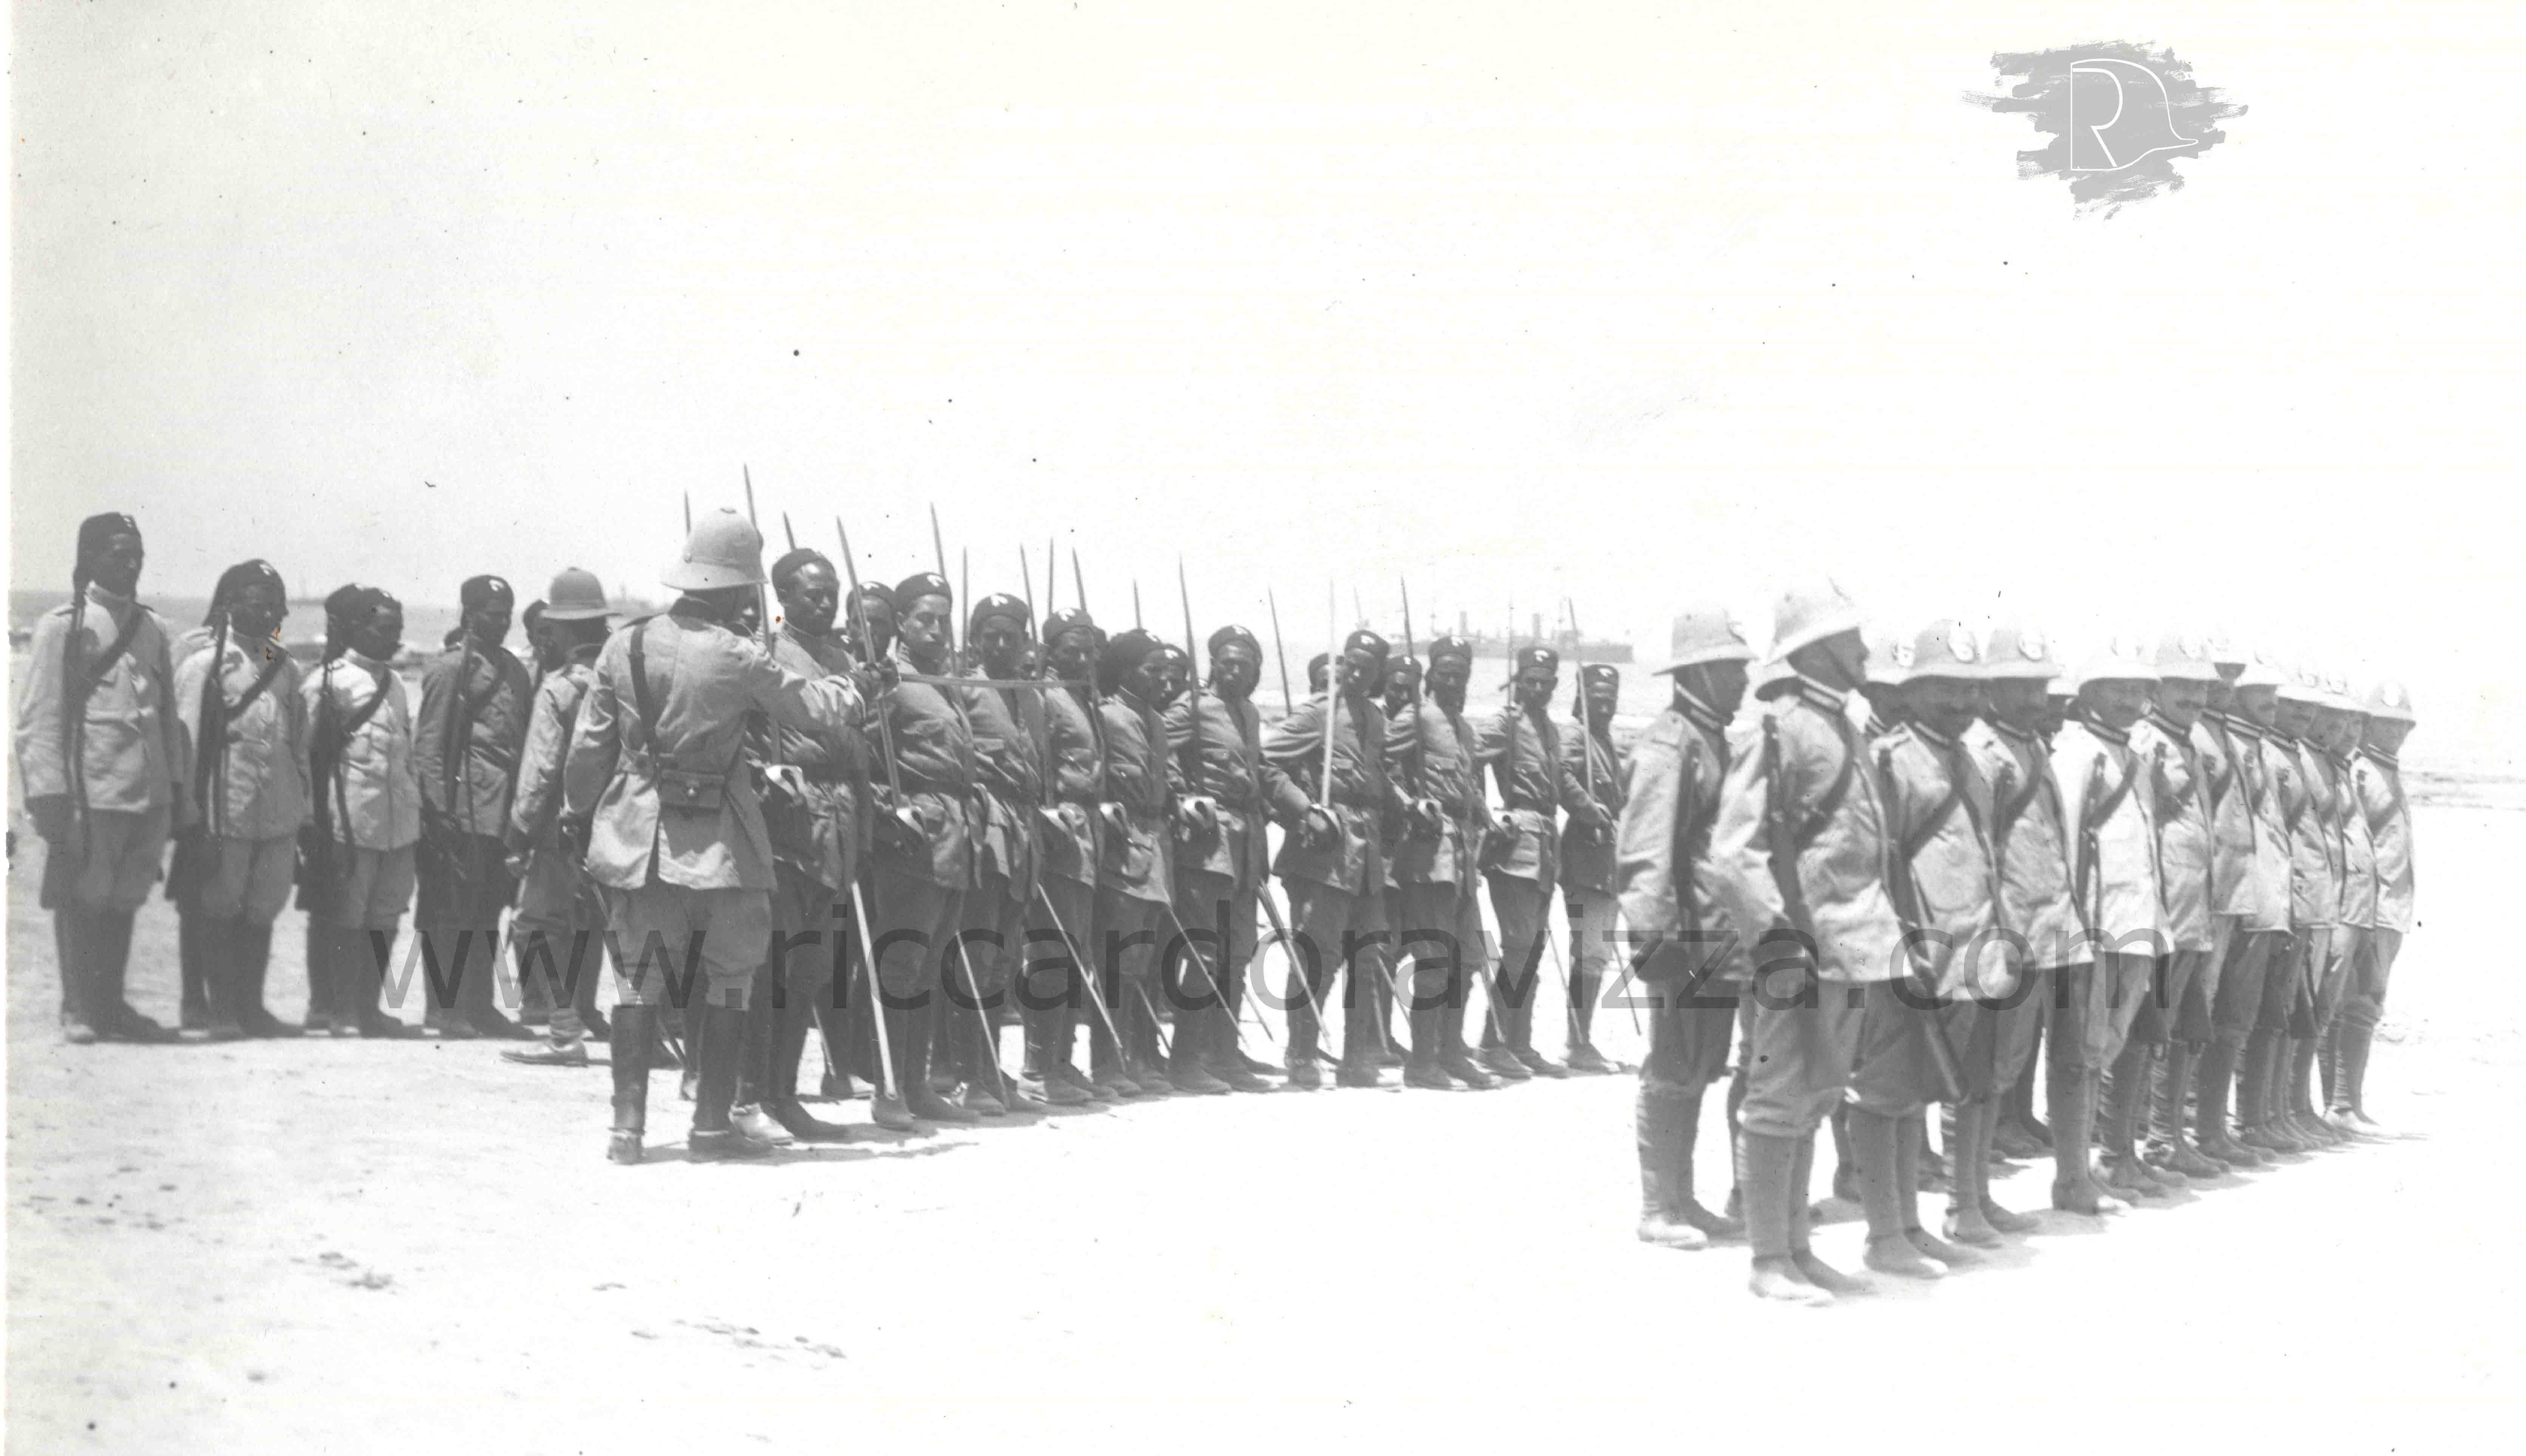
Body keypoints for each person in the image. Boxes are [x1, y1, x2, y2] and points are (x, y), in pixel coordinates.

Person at [561, 510, 866, 1163]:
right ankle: (708, 1128)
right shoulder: (737, 654)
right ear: (737, 587)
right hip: (723, 847)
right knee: (730, 981)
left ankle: (627, 1129)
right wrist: (858, 688)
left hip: (639, 839)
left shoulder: (625, 646)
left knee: (638, 984)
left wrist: (579, 813)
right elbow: (812, 709)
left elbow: (589, 750)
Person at [1707, 581, 1907, 1305]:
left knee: (1818, 1097)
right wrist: (1776, 939)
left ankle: (1797, 1250)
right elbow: (1734, 851)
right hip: (1799, 948)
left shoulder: (1842, 725)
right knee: (1776, 1100)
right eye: (1850, 638)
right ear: (1817, 649)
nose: (1863, 649)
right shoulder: (1776, 729)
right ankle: (1768, 1258)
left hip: (1853, 943)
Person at [1858, 619, 2008, 1277]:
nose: (1960, 702)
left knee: (1931, 1088)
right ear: (1912, 690)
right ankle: (1884, 1233)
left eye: (1970, 690)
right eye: (1945, 687)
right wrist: (1898, 945)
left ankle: (1918, 1224)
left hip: (1969, 951)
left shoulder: (1970, 760)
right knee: (1886, 1094)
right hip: (1911, 953)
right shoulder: (1890, 759)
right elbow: (1877, 861)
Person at [17, 513, 189, 1044]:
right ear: (90, 557)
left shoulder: (152, 628)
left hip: (146, 792)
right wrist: (49, 796)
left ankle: (111, 1006)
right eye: (119, 554)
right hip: (92, 790)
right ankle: (79, 1007)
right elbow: (39, 717)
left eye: (137, 555)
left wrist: (175, 790)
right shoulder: (63, 626)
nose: (131, 564)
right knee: (82, 895)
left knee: (125, 897)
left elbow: (166, 715)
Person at [1617, 607, 1756, 1248]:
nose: (1742, 682)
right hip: (1682, 940)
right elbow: (1645, 851)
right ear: (1698, 673)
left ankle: (1683, 1198)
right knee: (1673, 1066)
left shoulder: (1708, 739)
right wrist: (1654, 940)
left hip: (1715, 938)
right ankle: (1658, 1206)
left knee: (1701, 1065)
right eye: (1731, 670)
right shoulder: (1671, 745)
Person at [861, 571, 986, 1127]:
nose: (937, 630)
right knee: (901, 963)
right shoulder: (892, 680)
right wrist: (886, 810)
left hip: (953, 836)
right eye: (925, 620)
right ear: (902, 624)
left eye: (944, 620)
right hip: (912, 835)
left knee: (930, 965)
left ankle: (916, 1084)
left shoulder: (943, 683)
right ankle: (888, 1086)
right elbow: (861, 753)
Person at [2053, 637, 2172, 1206]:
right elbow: (2067, 843)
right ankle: (2072, 1175)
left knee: (2114, 1046)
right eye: (2118, 690)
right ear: (2088, 694)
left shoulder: (2132, 757)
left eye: (2138, 691)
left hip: (2135, 923)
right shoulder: (2077, 754)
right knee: (2081, 1053)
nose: (2130, 701)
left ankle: (2105, 1162)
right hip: (2094, 927)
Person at [1960, 624, 2071, 1232]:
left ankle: (1976, 1194)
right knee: (1977, 1069)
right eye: (2020, 687)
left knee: (2002, 1067)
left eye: (2039, 687)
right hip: (2000, 933)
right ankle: (1965, 1200)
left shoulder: (2029, 747)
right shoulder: (1985, 752)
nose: (2034, 698)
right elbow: (1976, 848)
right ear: (1990, 688)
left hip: (2039, 927)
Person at [1263, 630, 1407, 1089]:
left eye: (1368, 668)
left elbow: (1376, 777)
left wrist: (1403, 804)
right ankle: (1301, 1053)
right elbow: (1264, 761)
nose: (1357, 674)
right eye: (1352, 664)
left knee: (1367, 956)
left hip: (1366, 856)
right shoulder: (1318, 713)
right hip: (1324, 853)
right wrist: (1304, 809)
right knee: (1317, 955)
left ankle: (1356, 1056)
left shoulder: (1376, 718)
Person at [170, 560, 308, 1039]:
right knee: (220, 905)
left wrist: (303, 808)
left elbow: (299, 743)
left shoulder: (284, 666)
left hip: (277, 808)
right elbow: (186, 743)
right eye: (257, 603)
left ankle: (252, 1009)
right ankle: (222, 1010)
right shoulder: (203, 665)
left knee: (264, 904)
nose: (268, 612)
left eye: (275, 605)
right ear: (230, 606)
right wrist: (188, 812)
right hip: (224, 807)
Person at [1166, 622, 1292, 1093]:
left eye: (1244, 664)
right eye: (1227, 663)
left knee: (1237, 954)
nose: (1235, 671)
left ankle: (1222, 1054)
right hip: (1208, 844)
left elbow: (1261, 770)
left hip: (1246, 845)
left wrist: (1302, 809)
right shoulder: (1192, 708)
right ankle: (1185, 1061)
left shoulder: (1249, 713)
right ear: (1213, 665)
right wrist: (1181, 794)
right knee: (1205, 952)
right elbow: (1156, 749)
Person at [501, 568, 618, 1069]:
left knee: (534, 925)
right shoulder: (621, 680)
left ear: (565, 629)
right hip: (621, 823)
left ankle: (564, 1030)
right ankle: (656, 1032)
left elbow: (541, 769)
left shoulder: (560, 688)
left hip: (562, 829)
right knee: (615, 928)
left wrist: (520, 831)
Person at [413, 574, 535, 1038]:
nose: (501, 623)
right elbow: (430, 744)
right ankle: (444, 1009)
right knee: (450, 913)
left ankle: (480, 1007)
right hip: (461, 811)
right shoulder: (451, 669)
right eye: (492, 615)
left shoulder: (513, 670)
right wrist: (438, 809)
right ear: (469, 614)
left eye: (506, 616)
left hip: (499, 812)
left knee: (487, 912)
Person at [947, 591, 1054, 1114]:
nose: (1001, 646)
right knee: (977, 953)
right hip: (985, 829)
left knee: (1004, 960)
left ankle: (991, 1069)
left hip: (1023, 833)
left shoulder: (1031, 697)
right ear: (975, 641)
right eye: (990, 636)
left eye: (1011, 637)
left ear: (1025, 642)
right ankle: (968, 1073)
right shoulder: (963, 689)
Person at [300, 585, 423, 1038]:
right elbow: (305, 758)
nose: (393, 638)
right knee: (344, 915)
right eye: (384, 628)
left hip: (397, 823)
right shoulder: (327, 682)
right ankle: (336, 1009)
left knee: (385, 915)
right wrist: (310, 822)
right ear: (357, 628)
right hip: (349, 821)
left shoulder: (396, 685)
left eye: (398, 629)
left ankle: (368, 1009)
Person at [1475, 645, 1600, 1079]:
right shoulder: (1504, 723)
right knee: (1517, 947)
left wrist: (1592, 812)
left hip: (1545, 848)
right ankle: (1491, 1043)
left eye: (1546, 683)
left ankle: (1519, 1043)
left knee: (1533, 948)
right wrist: (1485, 814)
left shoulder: (1548, 728)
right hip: (1514, 848)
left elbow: (1561, 781)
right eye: (1531, 681)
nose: (1538, 689)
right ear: (1519, 681)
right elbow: (1466, 761)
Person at [2129, 634, 2227, 1181]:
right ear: (2156, 688)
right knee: (2151, 1026)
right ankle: (2147, 1143)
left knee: (2183, 1024)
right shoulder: (2147, 743)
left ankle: (2168, 1138)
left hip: (2193, 909)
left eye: (2201, 687)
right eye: (2182, 686)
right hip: (2165, 909)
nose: (2194, 696)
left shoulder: (2185, 741)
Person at [1388, 634, 1502, 1092]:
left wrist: (1487, 817)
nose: (1453, 682)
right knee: (1433, 958)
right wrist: (1409, 803)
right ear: (1431, 676)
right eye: (1445, 675)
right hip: (1428, 855)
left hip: (1463, 856)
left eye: (1461, 675)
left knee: (1468, 958)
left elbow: (1467, 786)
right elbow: (1377, 765)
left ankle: (1451, 1052)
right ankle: (1421, 1063)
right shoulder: (1415, 717)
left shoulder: (1464, 729)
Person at [2201, 650, 2296, 1163]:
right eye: (2258, 691)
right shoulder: (2219, 742)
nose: (2270, 700)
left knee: (2236, 1017)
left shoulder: (2252, 746)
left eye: (2271, 692)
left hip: (2255, 901)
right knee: (2199, 1017)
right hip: (2222, 900)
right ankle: (2189, 1130)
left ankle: (2217, 1128)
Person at [1090, 628, 1193, 1093]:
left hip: (1155, 844)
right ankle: (1106, 1063)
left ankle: (1138, 1056)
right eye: (1151, 670)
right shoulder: (1108, 715)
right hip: (1122, 843)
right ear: (1128, 671)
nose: (1161, 680)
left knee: (1144, 959)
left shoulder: (1154, 720)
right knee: (1117, 960)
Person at [1026, 606, 1117, 1102]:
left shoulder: (1085, 697)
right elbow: (1038, 761)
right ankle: (1039, 1066)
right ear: (1051, 652)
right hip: (1061, 830)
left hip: (1087, 831)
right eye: (1072, 651)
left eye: (1089, 651)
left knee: (1075, 951)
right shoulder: (1046, 697)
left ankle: (1062, 1059)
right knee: (1053, 951)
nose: (1083, 659)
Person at [2332, 681, 2415, 1131]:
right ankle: (2341, 1106)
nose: (2394, 733)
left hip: (2390, 909)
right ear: (2366, 725)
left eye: (2401, 726)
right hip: (2369, 906)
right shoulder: (2361, 772)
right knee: (2354, 1003)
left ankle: (2348, 1104)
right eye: (2385, 725)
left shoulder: (2385, 770)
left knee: (2364, 1003)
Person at [1559, 662, 1627, 1075]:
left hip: (1605, 859)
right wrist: (1590, 810)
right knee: (1591, 953)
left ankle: (1579, 1038)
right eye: (1598, 700)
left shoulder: (1602, 739)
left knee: (1595, 953)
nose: (1605, 707)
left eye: (1611, 700)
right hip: (1586, 856)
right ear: (1583, 699)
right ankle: (1577, 1043)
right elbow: (1562, 776)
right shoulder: (1575, 735)